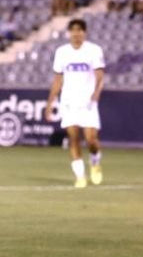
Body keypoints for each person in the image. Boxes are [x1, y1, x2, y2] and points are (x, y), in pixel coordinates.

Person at [44, 18, 106, 187]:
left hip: (87, 101)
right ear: (69, 33)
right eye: (73, 30)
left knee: (91, 139)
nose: (76, 33)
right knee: (73, 138)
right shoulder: (62, 52)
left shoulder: (94, 50)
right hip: (69, 101)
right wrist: (50, 103)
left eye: (80, 30)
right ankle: (80, 176)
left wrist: (96, 93)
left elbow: (100, 75)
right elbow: (58, 79)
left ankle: (95, 162)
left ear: (84, 33)